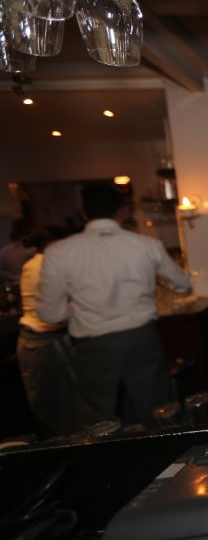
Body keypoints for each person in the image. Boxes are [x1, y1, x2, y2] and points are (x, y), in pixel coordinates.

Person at [37, 183, 191, 428]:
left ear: (83, 213)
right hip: (142, 338)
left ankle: (107, 452)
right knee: (157, 410)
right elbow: (182, 283)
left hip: (94, 345)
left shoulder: (58, 252)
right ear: (121, 211)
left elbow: (50, 313)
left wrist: (79, 310)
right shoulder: (146, 244)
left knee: (97, 418)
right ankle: (166, 452)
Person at [16, 226, 77, 437]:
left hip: (34, 341)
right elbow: (62, 308)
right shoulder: (45, 265)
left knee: (50, 406)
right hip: (46, 343)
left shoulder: (33, 263)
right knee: (61, 409)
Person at [0, 217, 37, 286]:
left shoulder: (5, 250)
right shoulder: (35, 250)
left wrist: (12, 277)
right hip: (28, 285)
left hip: (13, 286)